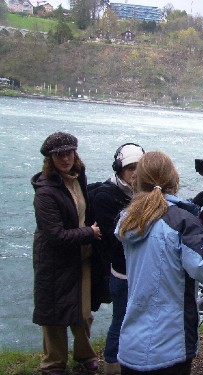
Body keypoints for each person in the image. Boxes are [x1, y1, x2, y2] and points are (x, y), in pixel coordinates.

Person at [115, 151, 203, 374]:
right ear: (174, 179)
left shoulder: (129, 218)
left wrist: (198, 203)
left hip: (132, 345)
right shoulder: (180, 222)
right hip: (170, 345)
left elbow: (165, 228)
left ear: (137, 180)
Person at [31, 132, 102, 375]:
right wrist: (89, 233)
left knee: (82, 313)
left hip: (81, 256)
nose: (65, 158)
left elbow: (84, 209)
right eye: (59, 155)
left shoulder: (78, 177)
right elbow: (55, 235)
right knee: (53, 315)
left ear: (75, 153)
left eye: (68, 153)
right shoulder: (45, 192)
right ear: (50, 158)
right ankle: (53, 363)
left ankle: (84, 354)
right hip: (53, 260)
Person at [92, 143, 145, 375]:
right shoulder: (106, 196)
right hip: (122, 271)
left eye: (138, 167)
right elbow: (117, 237)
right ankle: (112, 365)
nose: (134, 172)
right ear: (119, 169)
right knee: (121, 319)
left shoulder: (144, 193)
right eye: (129, 167)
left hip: (140, 268)